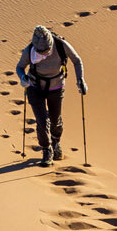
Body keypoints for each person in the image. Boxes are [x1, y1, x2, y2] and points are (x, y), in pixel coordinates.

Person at [16, 23, 87, 163]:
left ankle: (56, 142)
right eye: (40, 52)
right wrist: (23, 78)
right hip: (35, 88)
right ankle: (46, 149)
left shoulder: (61, 45)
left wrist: (81, 80)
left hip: (56, 88)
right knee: (42, 123)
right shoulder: (30, 50)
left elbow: (77, 61)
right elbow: (20, 67)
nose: (43, 54)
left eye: (46, 51)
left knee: (56, 121)